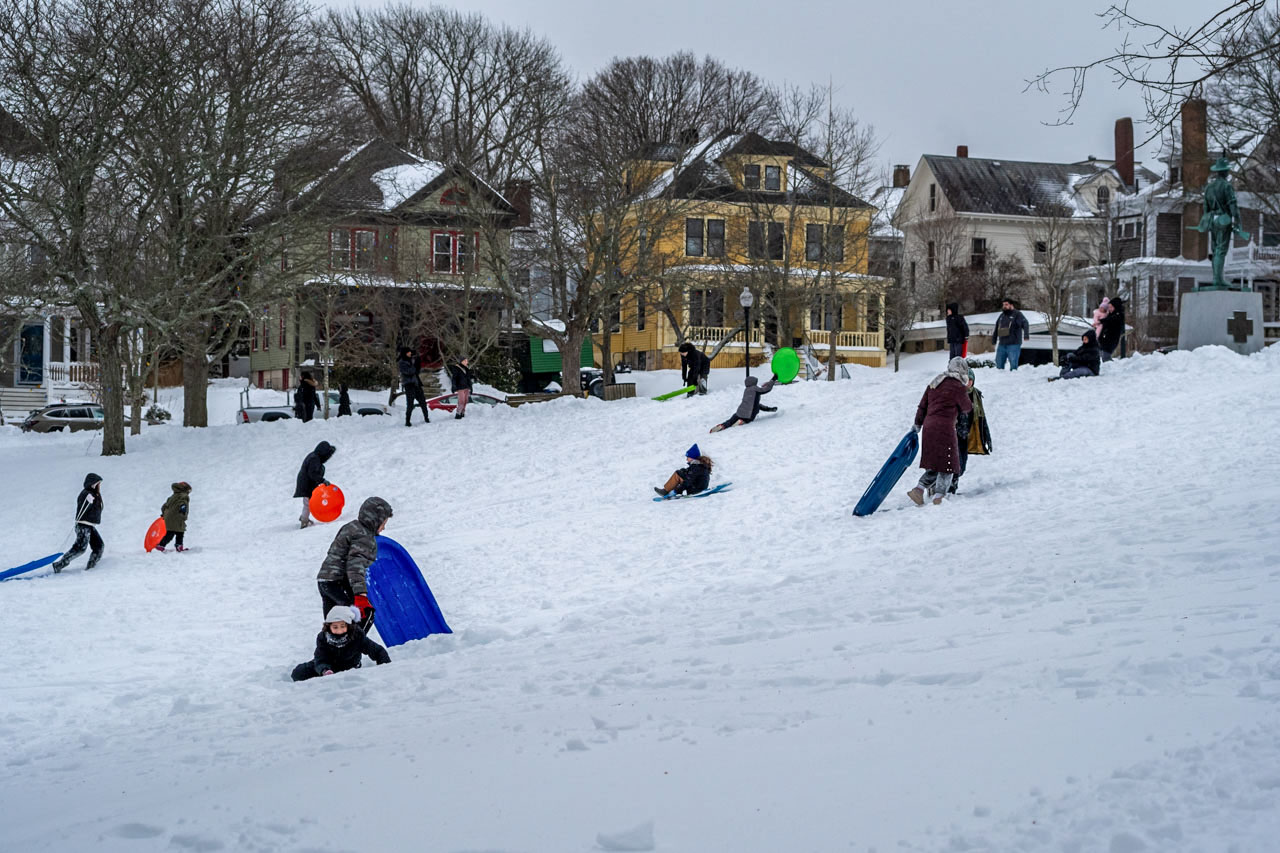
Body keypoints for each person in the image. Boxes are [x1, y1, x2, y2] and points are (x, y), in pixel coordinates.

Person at [316, 496, 394, 629]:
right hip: (338, 582)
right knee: (364, 615)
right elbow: (355, 566)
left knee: (335, 622)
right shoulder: (365, 537)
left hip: (325, 580)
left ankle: (331, 643)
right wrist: (360, 595)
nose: (383, 528)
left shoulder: (351, 526)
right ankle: (355, 642)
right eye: (383, 523)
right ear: (375, 521)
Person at [907, 357, 973, 506]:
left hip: (929, 428)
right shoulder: (958, 386)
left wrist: (917, 425)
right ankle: (939, 498)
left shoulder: (935, 382)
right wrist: (966, 391)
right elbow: (967, 407)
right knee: (948, 465)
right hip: (945, 429)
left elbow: (922, 406)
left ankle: (918, 489)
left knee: (936, 463)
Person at [290, 605, 390, 682]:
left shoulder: (357, 636)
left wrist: (385, 668)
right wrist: (324, 670)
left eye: (342, 626)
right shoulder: (323, 638)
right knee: (298, 673)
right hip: (329, 666)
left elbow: (377, 651)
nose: (339, 630)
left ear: (348, 626)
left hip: (350, 667)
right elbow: (320, 658)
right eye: (335, 627)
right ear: (329, 627)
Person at [950, 368, 992, 494]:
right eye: (965, 380)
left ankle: (945, 483)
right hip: (953, 434)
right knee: (955, 464)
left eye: (970, 380)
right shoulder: (954, 395)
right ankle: (950, 487)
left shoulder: (976, 395)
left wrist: (987, 437)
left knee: (962, 467)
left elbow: (981, 418)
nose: (968, 382)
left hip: (966, 435)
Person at [52, 473, 105, 572]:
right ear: (92, 484)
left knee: (99, 546)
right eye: (97, 484)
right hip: (82, 525)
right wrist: (87, 500)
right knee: (80, 548)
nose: (99, 486)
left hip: (89, 525)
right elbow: (82, 506)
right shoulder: (86, 494)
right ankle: (59, 565)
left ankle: (91, 566)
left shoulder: (94, 494)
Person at [709, 374, 777, 432]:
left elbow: (757, 404)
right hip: (748, 414)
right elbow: (767, 389)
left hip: (739, 412)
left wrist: (769, 409)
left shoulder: (747, 390)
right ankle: (742, 422)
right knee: (749, 417)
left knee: (730, 421)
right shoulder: (755, 389)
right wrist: (773, 379)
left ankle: (722, 426)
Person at [294, 441, 336, 529]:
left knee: (308, 502)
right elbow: (312, 474)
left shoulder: (314, 456)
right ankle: (304, 521)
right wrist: (323, 480)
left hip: (307, 483)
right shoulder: (314, 459)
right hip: (306, 484)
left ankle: (304, 517)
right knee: (308, 503)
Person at [991, 299, 1030, 370]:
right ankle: (1000, 375)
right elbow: (997, 327)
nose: (1004, 306)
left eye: (1006, 304)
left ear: (1011, 305)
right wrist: (994, 339)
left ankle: (1013, 376)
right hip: (1002, 344)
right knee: (998, 363)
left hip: (1014, 344)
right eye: (1003, 305)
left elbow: (1025, 323)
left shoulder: (1017, 314)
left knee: (1013, 363)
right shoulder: (1002, 316)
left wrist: (1026, 335)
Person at [154, 481, 192, 552]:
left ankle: (162, 545)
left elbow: (164, 506)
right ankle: (177, 546)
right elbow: (182, 503)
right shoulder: (184, 496)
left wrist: (164, 514)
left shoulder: (172, 496)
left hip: (168, 517)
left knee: (171, 531)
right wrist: (183, 508)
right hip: (178, 516)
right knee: (179, 531)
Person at [398, 347, 429, 426]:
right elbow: (409, 372)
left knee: (423, 402)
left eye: (410, 352)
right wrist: (415, 365)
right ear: (405, 353)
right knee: (410, 404)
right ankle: (407, 421)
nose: (410, 353)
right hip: (409, 385)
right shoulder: (402, 362)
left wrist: (418, 364)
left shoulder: (411, 360)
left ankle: (426, 418)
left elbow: (416, 372)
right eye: (409, 352)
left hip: (416, 384)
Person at [1098, 296, 1126, 361]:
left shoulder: (1119, 315)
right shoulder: (1110, 315)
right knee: (1100, 356)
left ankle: (1113, 366)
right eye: (1109, 307)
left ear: (1115, 307)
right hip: (1104, 340)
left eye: (1111, 307)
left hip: (1111, 341)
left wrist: (1103, 321)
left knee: (1106, 357)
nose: (1109, 309)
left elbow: (1112, 319)